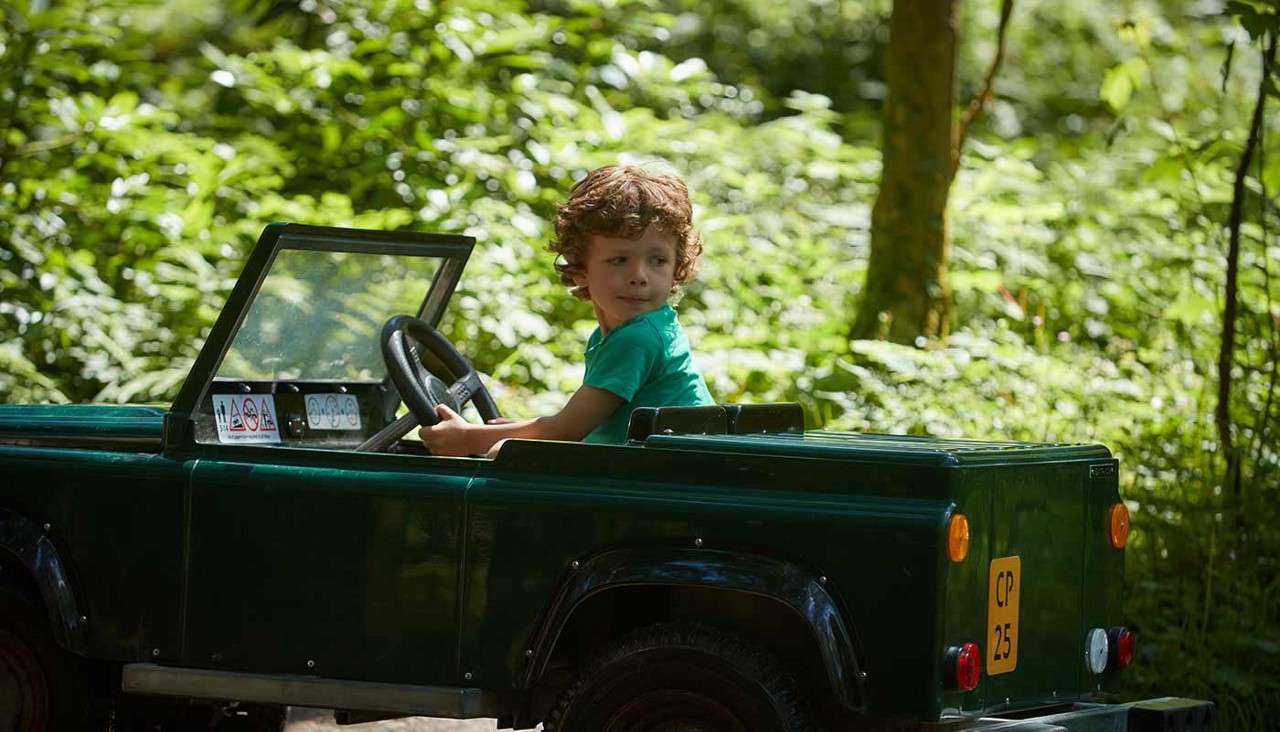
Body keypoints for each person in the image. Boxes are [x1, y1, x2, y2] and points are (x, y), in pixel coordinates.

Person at [420, 164, 715, 456]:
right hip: (659, 471)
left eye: (657, 261)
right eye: (619, 260)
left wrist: (469, 439)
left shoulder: (638, 339)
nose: (639, 276)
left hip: (675, 482)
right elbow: (589, 429)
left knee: (501, 453)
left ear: (676, 266)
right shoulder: (624, 332)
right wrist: (515, 433)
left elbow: (567, 429)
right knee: (507, 450)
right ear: (580, 269)